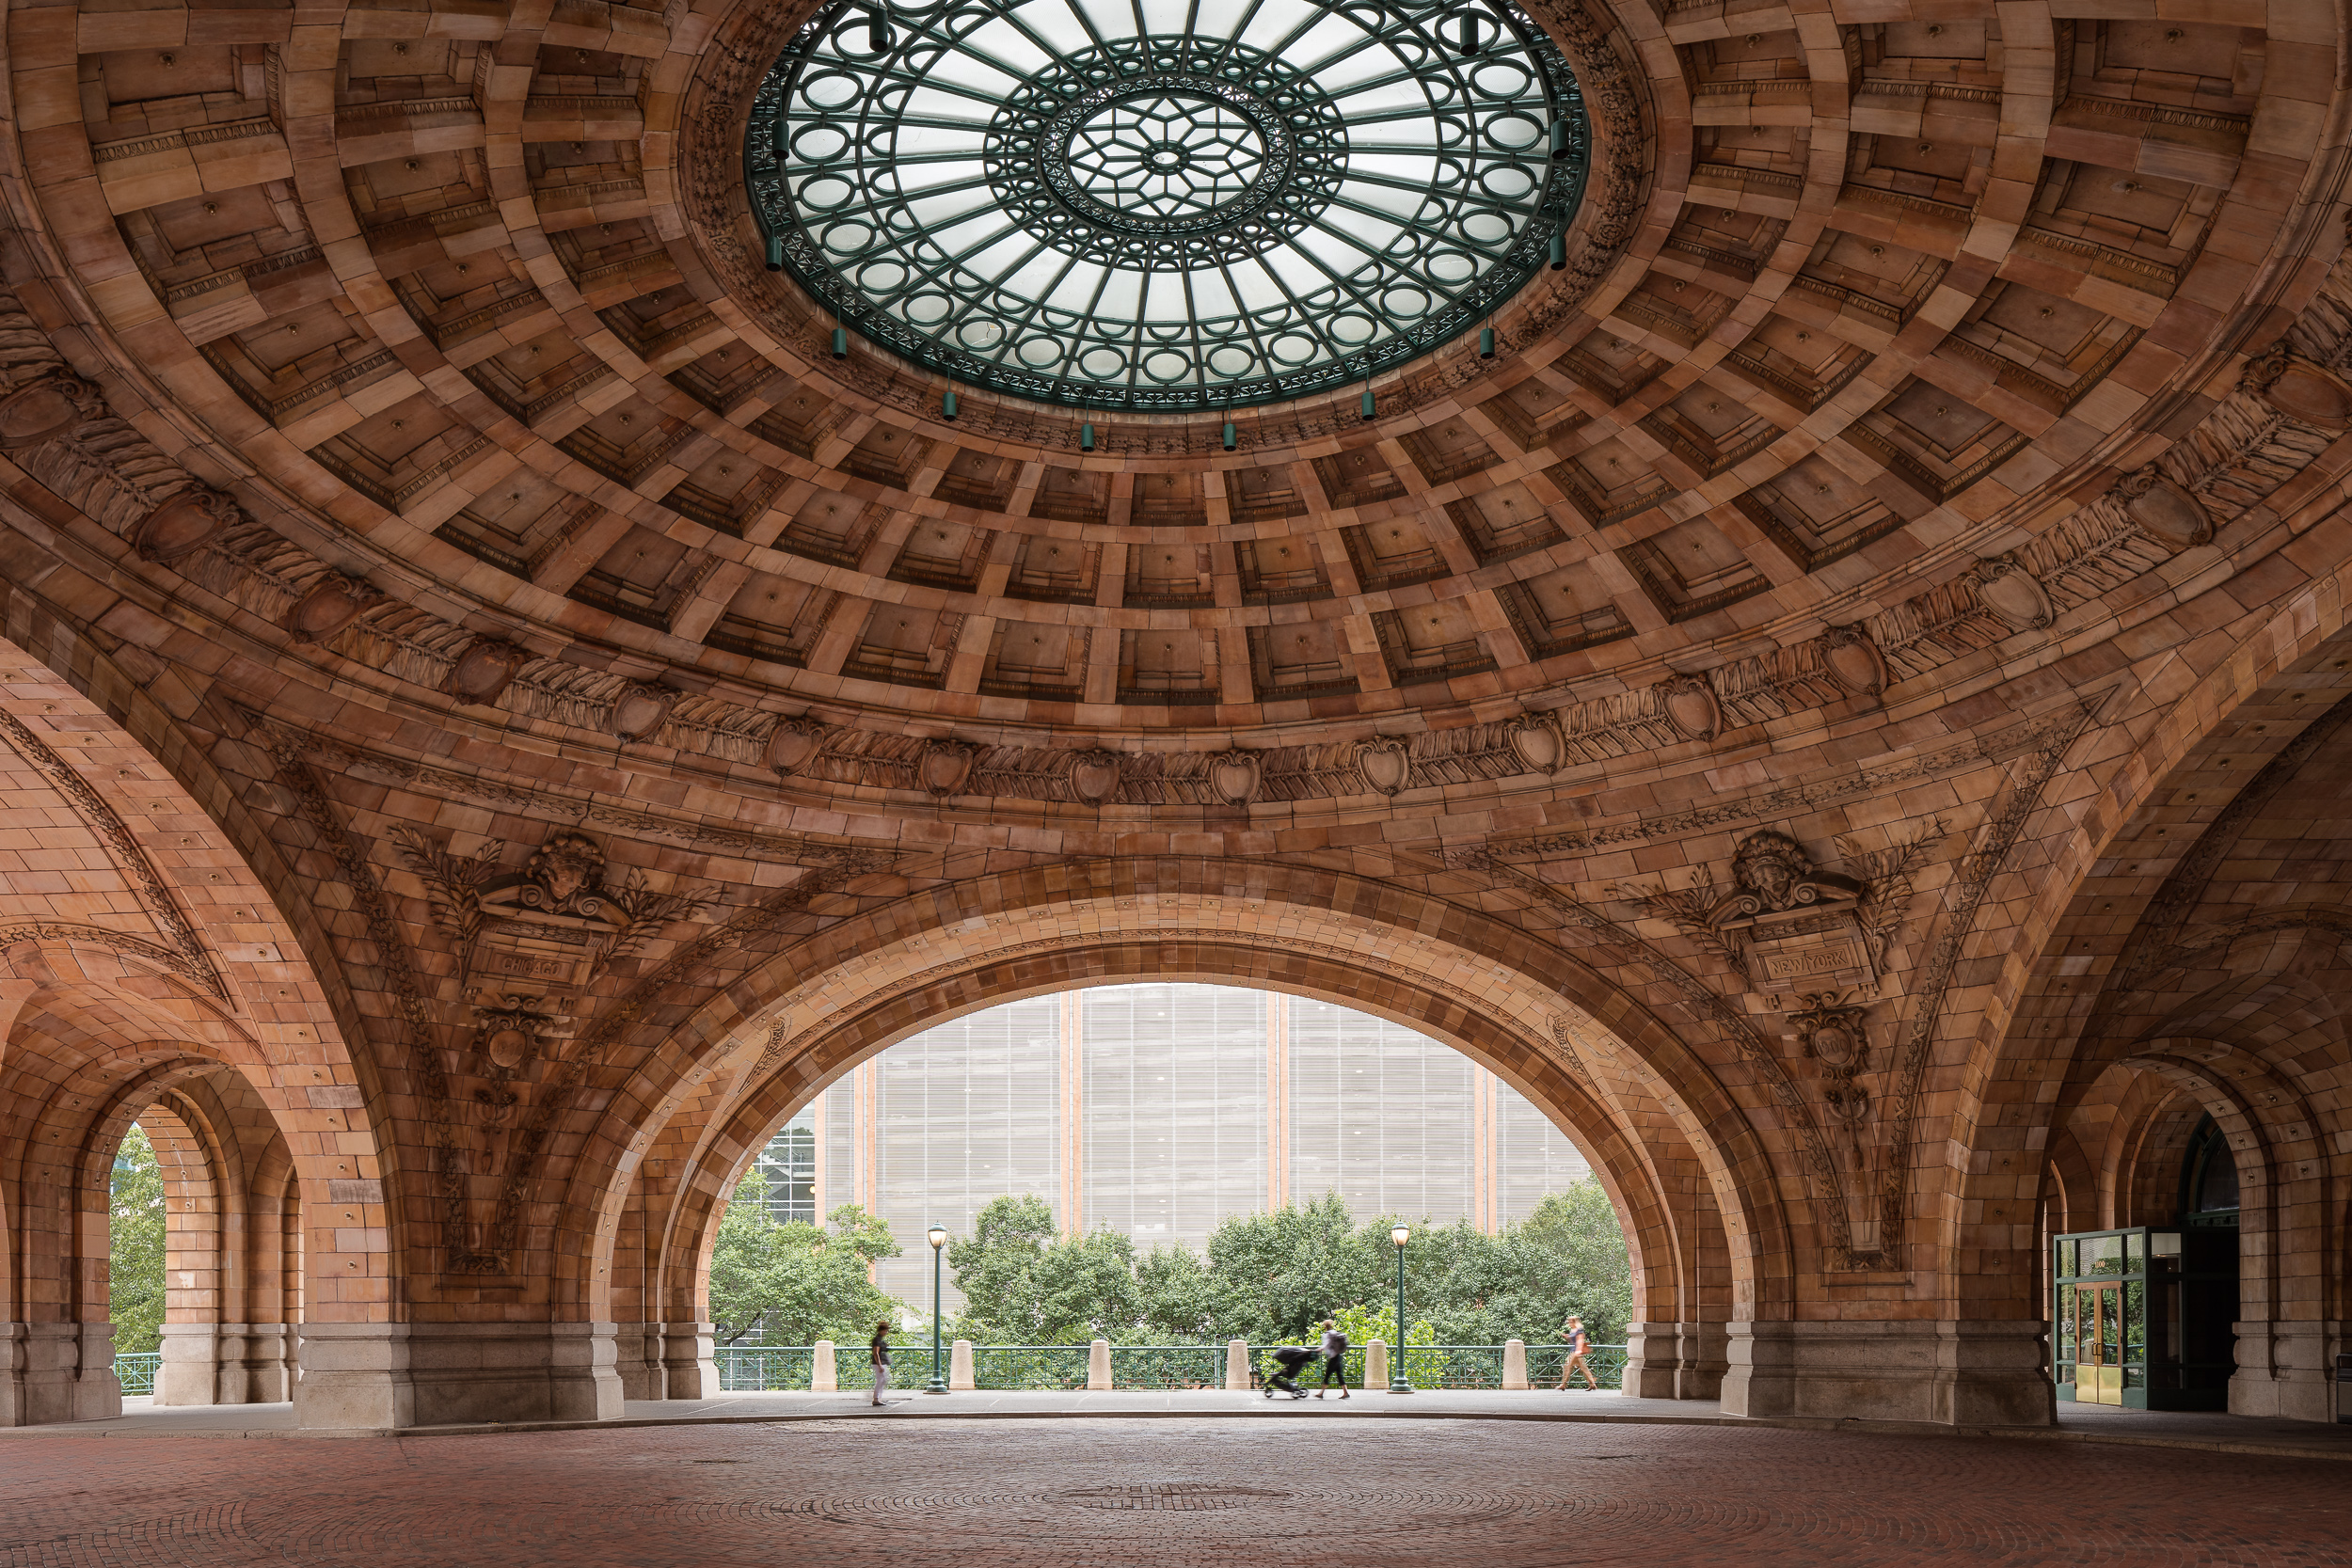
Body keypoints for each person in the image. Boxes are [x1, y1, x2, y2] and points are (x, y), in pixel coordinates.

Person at [1556, 1314, 1597, 1391]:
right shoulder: (1572, 1330)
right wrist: (1567, 1337)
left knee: (1568, 1367)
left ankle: (1563, 1384)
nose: (1569, 1323)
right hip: (1573, 1351)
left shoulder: (1579, 1330)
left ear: (1574, 1322)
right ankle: (1592, 1384)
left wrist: (1579, 1350)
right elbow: (1573, 1340)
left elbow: (1580, 1340)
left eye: (1571, 1322)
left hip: (1576, 1352)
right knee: (1583, 1369)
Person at [1314, 1318, 1350, 1400]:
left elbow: (1326, 1345)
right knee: (1339, 1375)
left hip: (1333, 1357)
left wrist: (1318, 1349)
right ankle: (1345, 1392)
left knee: (1327, 1375)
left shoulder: (1327, 1334)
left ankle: (1321, 1393)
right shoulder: (1334, 1332)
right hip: (1338, 1356)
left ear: (1325, 1326)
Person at [868, 1319, 896, 1406]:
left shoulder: (879, 1339)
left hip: (880, 1363)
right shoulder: (877, 1340)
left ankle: (878, 1397)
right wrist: (880, 1365)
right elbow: (876, 1353)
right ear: (882, 1330)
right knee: (881, 1380)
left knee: (883, 1380)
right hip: (878, 1363)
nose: (886, 1332)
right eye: (885, 1330)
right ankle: (876, 1398)